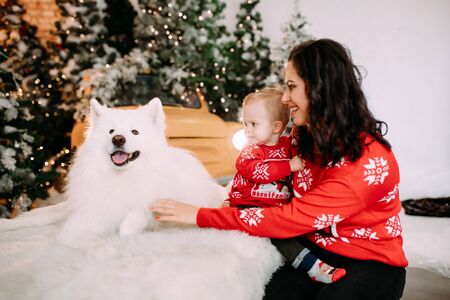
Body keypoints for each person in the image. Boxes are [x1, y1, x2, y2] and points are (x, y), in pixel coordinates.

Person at [152, 38, 407, 300]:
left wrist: (200, 215)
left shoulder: (367, 163)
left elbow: (289, 218)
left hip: (371, 261)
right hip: (311, 249)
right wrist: (237, 194)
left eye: (292, 87)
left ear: (321, 89)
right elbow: (265, 164)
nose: (285, 98)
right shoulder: (303, 133)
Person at [222, 86, 346, 284]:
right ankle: (313, 267)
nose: (247, 130)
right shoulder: (251, 151)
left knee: (294, 228)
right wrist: (288, 166)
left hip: (277, 208)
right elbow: (256, 171)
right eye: (246, 123)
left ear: (277, 127)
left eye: (254, 124)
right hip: (251, 205)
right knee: (280, 235)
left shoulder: (288, 145)